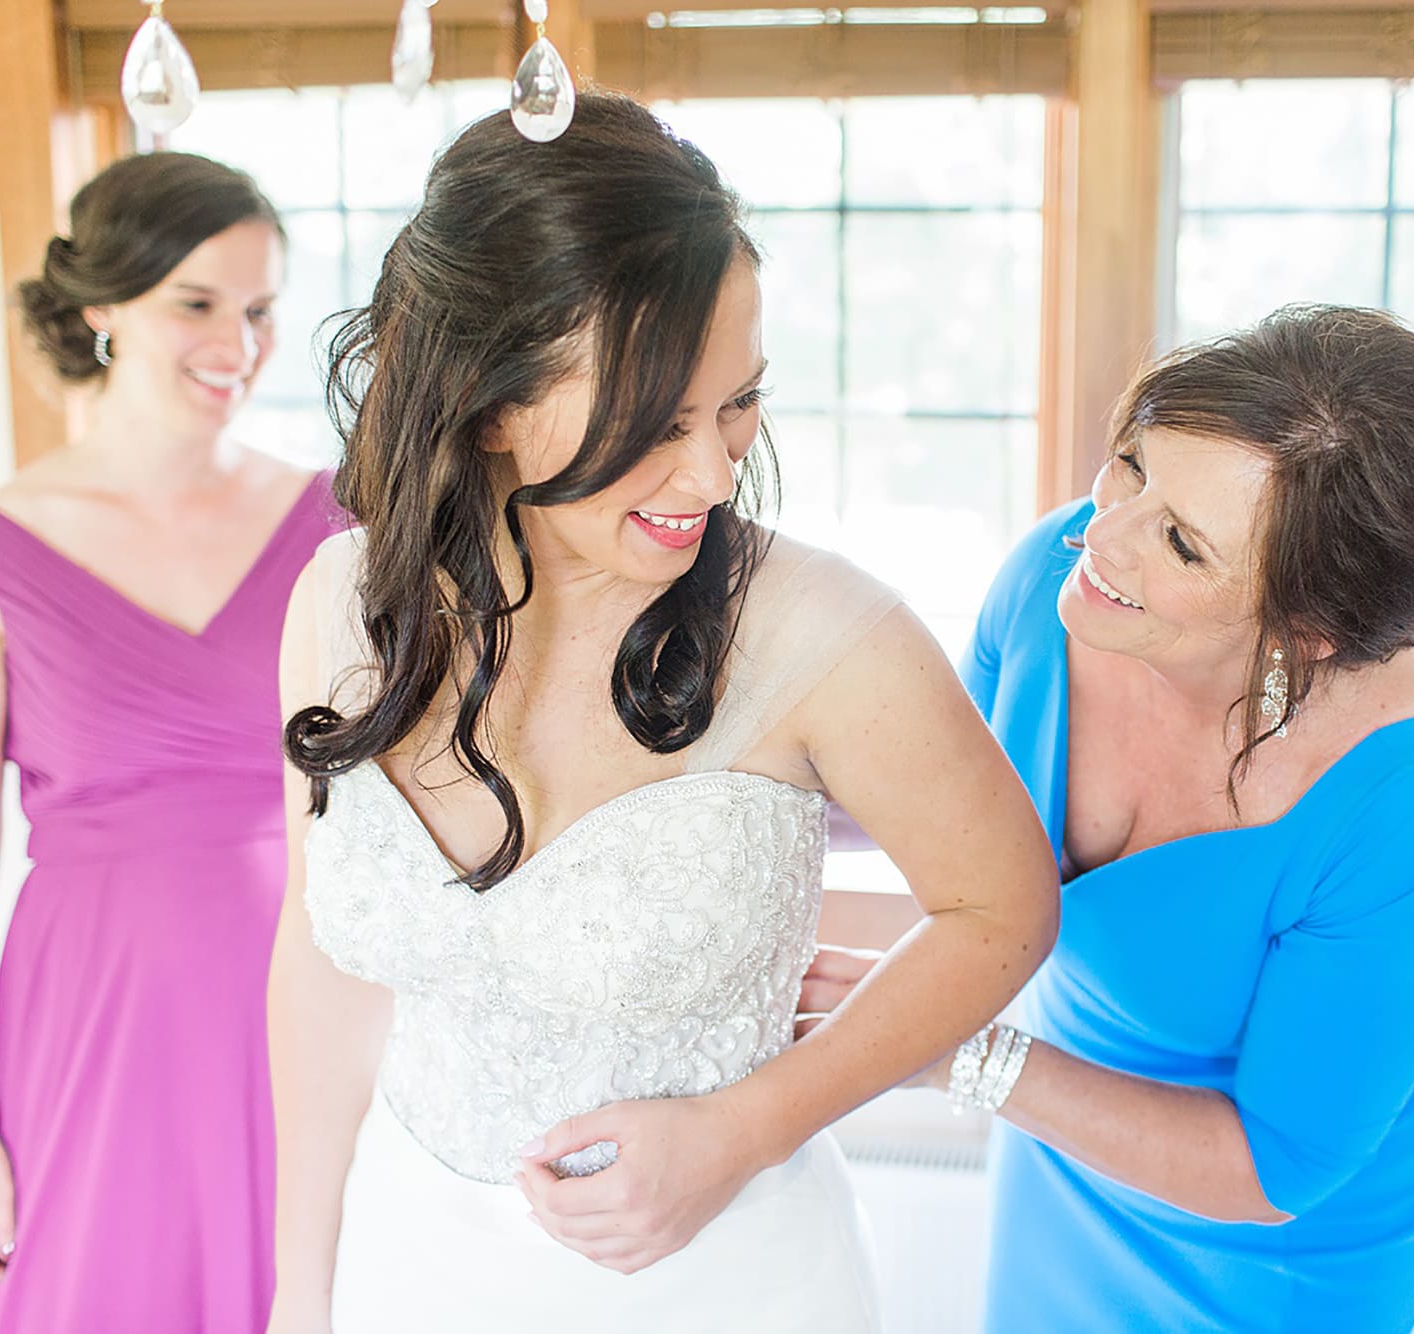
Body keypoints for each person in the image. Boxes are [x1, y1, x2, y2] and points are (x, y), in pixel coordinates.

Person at [263, 92, 1060, 1334]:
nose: (714, 472)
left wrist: (744, 1130)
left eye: (737, 402)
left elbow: (1001, 910)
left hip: (726, 1275)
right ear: (484, 398)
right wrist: (299, 1285)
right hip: (409, 1259)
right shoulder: (338, 602)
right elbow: (321, 966)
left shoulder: (825, 634)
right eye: (655, 425)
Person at [807, 305, 1414, 1331]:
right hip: (1063, 1156)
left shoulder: (1406, 823)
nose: (1104, 534)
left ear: (1305, 629)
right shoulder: (1054, 580)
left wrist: (966, 1055)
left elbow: (1273, 1166)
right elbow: (951, 832)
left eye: (1178, 542)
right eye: (1131, 464)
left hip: (1273, 1254)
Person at [0, 152, 346, 1332]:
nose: (237, 343)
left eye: (258, 311)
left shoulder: (336, 520)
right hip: (94, 1015)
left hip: (309, 994)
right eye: (194, 304)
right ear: (103, 306)